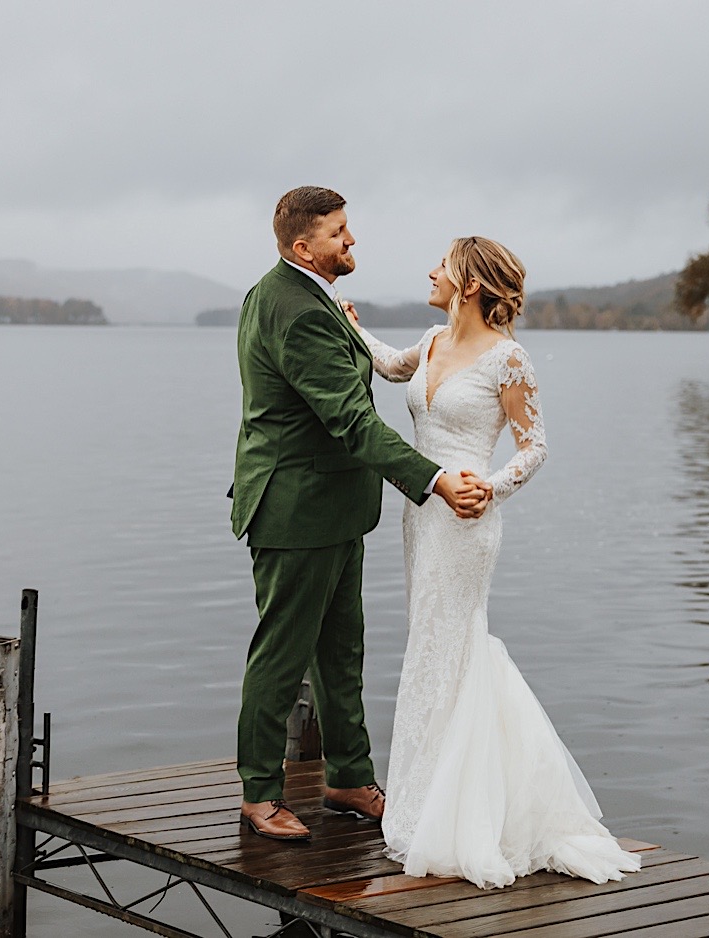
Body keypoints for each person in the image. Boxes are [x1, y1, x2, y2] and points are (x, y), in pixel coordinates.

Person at [347, 236, 642, 887]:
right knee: (428, 650)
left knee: (454, 647)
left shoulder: (509, 358)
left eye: (441, 266)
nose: (430, 272)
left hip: (468, 518)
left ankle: (470, 814)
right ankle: (427, 803)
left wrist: (494, 486)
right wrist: (348, 327)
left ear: (470, 283)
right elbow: (393, 367)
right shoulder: (429, 341)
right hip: (420, 513)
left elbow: (534, 446)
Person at [230, 187, 488, 841]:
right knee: (282, 657)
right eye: (339, 233)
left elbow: (360, 378)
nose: (351, 242)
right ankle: (260, 793)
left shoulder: (301, 297)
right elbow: (348, 418)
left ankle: (348, 777)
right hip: (295, 511)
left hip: (333, 511)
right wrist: (431, 479)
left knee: (341, 655)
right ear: (302, 246)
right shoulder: (297, 309)